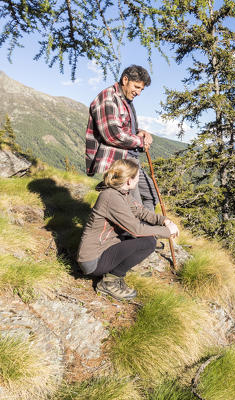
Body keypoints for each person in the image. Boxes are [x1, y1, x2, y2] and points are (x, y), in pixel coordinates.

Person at [77, 159, 179, 300]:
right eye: (137, 176)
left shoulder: (121, 193)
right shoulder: (111, 197)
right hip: (93, 260)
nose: (139, 179)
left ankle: (114, 272)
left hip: (105, 246)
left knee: (143, 237)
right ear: (129, 181)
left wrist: (163, 220)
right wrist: (167, 232)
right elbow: (136, 229)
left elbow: (140, 212)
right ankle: (110, 281)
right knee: (148, 242)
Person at [85, 65, 158, 211]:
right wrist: (140, 141)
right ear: (125, 80)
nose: (138, 92)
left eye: (141, 89)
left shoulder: (125, 101)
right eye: (136, 87)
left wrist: (140, 131)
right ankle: (135, 232)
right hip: (117, 161)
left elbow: (124, 128)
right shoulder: (108, 97)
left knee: (151, 195)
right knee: (134, 207)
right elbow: (113, 134)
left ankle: (143, 231)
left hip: (130, 160)